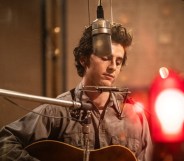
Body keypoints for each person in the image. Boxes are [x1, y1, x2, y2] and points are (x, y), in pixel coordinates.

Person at [0, 23, 153, 161]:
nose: (113, 67)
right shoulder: (58, 111)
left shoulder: (135, 116)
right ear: (83, 59)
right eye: (106, 58)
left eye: (118, 62)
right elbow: (4, 141)